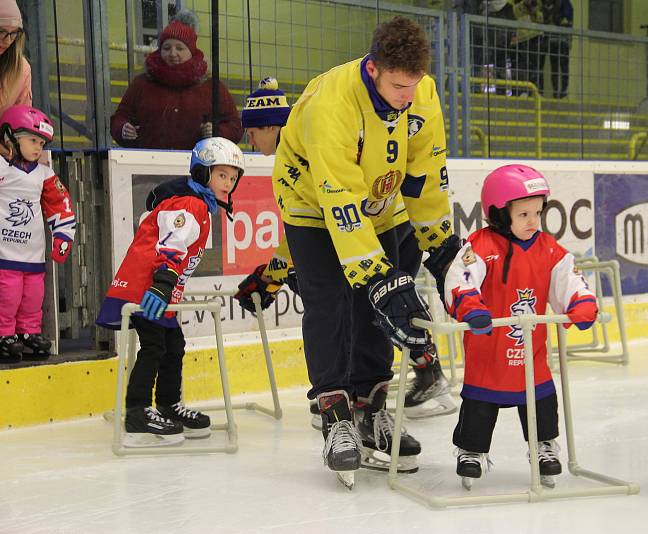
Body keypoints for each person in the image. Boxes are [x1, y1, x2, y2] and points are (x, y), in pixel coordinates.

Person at [266, 15, 462, 488]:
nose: (408, 95)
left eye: (414, 84)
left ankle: (371, 409)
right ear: (373, 68)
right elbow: (339, 201)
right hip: (312, 202)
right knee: (332, 301)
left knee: (387, 307)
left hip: (382, 201)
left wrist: (441, 248)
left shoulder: (422, 94)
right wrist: (375, 276)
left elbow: (425, 180)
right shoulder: (331, 103)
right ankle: (335, 418)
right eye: (399, 85)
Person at [233, 74, 457, 426]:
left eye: (254, 130)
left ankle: (412, 381)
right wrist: (274, 275)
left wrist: (272, 278)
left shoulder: (312, 141)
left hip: (387, 225)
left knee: (380, 303)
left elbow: (319, 224)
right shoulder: (312, 132)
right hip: (387, 220)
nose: (249, 138)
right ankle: (410, 377)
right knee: (382, 303)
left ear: (272, 126)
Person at [443, 164, 598, 489]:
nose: (533, 221)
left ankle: (543, 447)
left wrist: (580, 302)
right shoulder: (481, 246)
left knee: (541, 400)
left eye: (537, 213)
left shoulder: (548, 249)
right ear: (499, 214)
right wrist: (470, 305)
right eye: (524, 214)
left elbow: (568, 278)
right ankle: (471, 450)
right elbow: (461, 278)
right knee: (480, 405)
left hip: (531, 354)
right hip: (488, 351)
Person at [96, 137, 245, 447]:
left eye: (233, 177)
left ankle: (167, 405)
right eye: (221, 175)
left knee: (173, 344)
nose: (228, 183)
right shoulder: (190, 204)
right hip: (147, 288)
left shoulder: (199, 205)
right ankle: (137, 413)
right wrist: (163, 286)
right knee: (153, 347)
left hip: (159, 289)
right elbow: (169, 244)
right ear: (202, 173)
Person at [0, 105, 75, 362]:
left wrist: (63, 235)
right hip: (4, 253)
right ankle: (3, 334)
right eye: (32, 140)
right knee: (6, 296)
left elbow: (61, 204)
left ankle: (28, 333)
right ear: (10, 136)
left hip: (33, 255)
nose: (37, 148)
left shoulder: (44, 173)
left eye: (41, 144)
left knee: (33, 297)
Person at [110, 10, 242, 150]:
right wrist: (123, 129)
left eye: (180, 48)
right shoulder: (141, 84)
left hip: (199, 165)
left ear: (191, 52)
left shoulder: (211, 86)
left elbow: (235, 126)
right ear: (159, 51)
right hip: (148, 164)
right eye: (167, 48)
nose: (173, 53)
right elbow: (119, 119)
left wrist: (217, 132)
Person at [0, 0, 31, 117]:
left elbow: (21, 122)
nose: (7, 41)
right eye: (1, 32)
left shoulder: (22, 70)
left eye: (14, 33)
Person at [542, 0, 573, 98]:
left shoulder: (565, 4)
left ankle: (562, 91)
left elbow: (565, 21)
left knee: (561, 67)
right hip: (554, 40)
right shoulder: (550, 4)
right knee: (556, 67)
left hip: (561, 40)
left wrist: (554, 18)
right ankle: (558, 92)